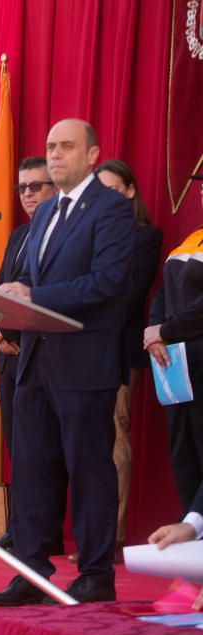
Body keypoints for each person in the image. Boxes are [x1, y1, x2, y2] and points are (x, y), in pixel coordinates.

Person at [0, 119, 135, 606]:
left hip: (83, 363)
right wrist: (5, 311)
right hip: (35, 362)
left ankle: (95, 573)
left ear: (93, 154)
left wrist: (35, 295)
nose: (55, 154)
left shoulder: (112, 209)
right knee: (30, 469)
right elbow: (27, 280)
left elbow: (107, 282)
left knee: (89, 469)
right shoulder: (46, 212)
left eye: (66, 146)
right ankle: (29, 571)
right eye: (50, 146)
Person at [0, 156, 57, 550]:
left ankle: (41, 533)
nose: (28, 195)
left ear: (55, 188)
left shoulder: (60, 236)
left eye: (36, 186)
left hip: (37, 351)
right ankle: (19, 528)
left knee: (39, 449)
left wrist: (10, 329)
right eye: (22, 188)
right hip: (8, 353)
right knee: (16, 445)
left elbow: (36, 288)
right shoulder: (18, 235)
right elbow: (1, 286)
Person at [94, 159, 162, 555]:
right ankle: (92, 533)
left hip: (119, 350)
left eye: (112, 189)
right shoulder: (89, 237)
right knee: (89, 444)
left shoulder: (145, 237)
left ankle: (113, 536)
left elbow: (130, 294)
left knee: (117, 438)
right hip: (80, 352)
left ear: (130, 192)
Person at [145, 172, 203, 534]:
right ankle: (193, 555)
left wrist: (165, 330)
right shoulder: (191, 239)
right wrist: (153, 334)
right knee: (184, 457)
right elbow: (162, 292)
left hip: (199, 358)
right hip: (174, 366)